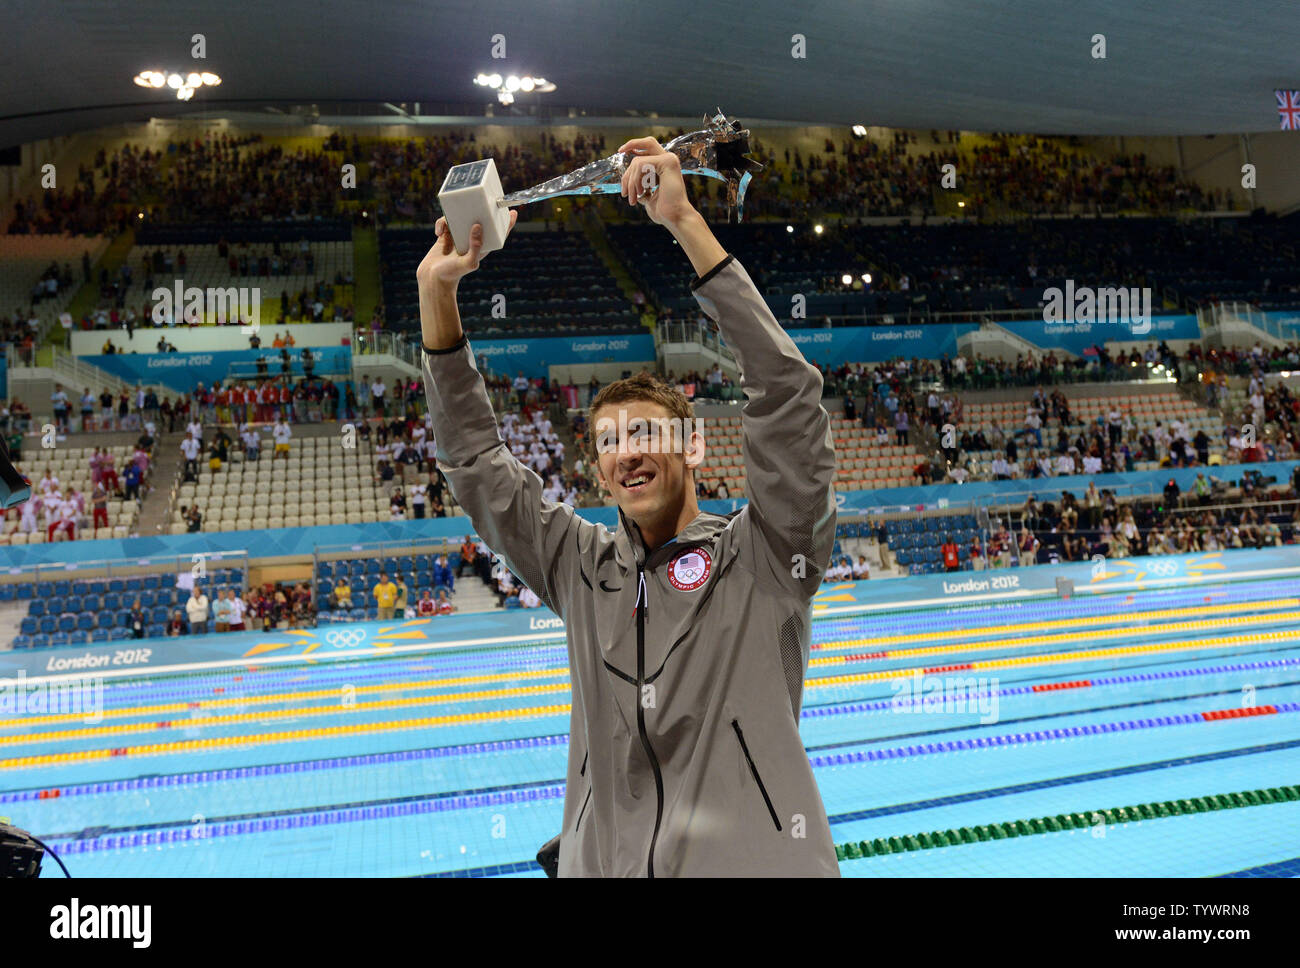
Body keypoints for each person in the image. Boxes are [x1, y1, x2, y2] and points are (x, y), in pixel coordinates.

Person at [415, 138, 839, 877]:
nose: (627, 451)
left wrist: (683, 223)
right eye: (609, 442)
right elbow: (478, 465)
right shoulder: (580, 567)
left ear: (695, 448)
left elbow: (788, 397)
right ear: (601, 472)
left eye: (646, 432)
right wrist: (438, 297)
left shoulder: (766, 557)